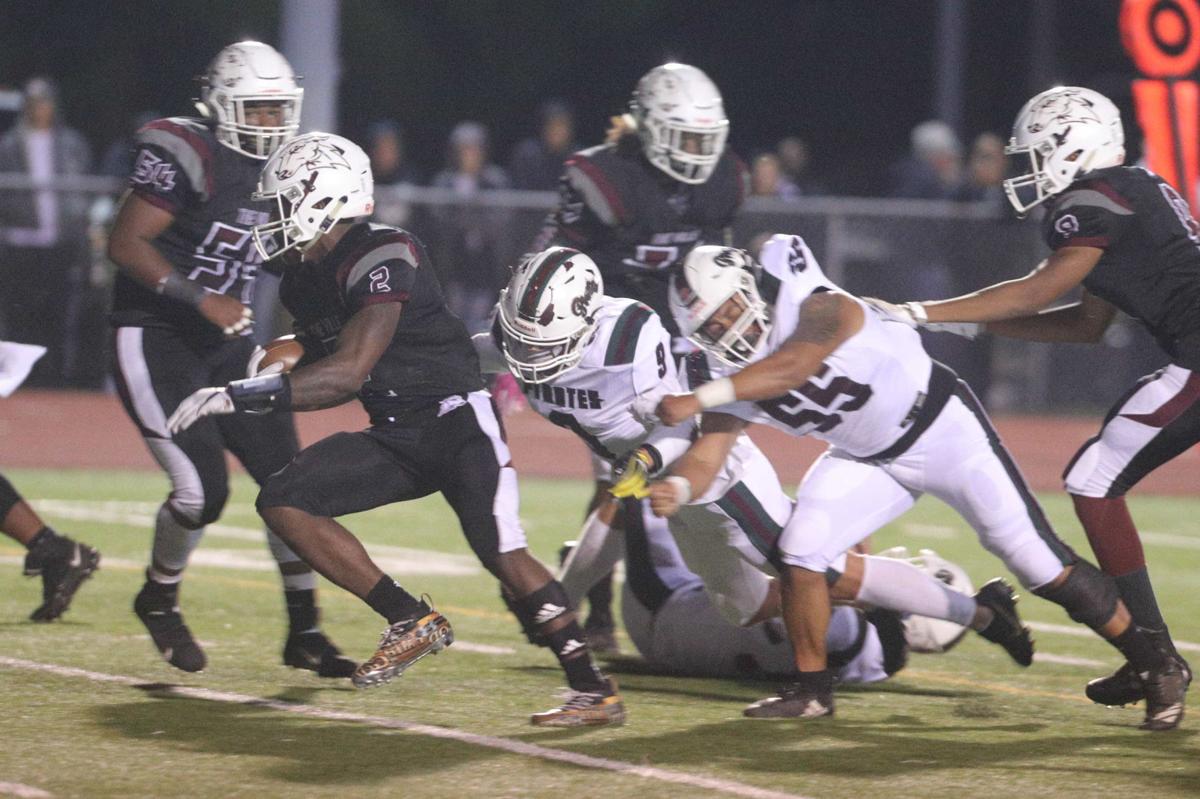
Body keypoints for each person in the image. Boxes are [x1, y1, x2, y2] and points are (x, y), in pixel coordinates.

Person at [167, 132, 623, 727]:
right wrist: (291, 349)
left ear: (323, 200)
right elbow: (325, 340)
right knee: (285, 500)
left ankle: (593, 690)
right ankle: (409, 617)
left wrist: (243, 394)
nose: (274, 217)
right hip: (397, 431)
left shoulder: (385, 250)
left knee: (501, 553)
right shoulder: (303, 275)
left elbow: (351, 369)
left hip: (455, 417)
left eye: (283, 202)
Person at [646, 236, 1186, 730]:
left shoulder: (809, 300)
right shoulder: (731, 380)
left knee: (1036, 561)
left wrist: (696, 398)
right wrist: (680, 489)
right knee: (801, 551)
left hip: (941, 427)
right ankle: (811, 690)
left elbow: (792, 367)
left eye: (729, 313)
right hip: (867, 458)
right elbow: (710, 452)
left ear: (749, 288)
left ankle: (1156, 667)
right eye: (710, 329)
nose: (726, 332)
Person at [482, 246, 1023, 683]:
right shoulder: (528, 345)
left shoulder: (628, 344)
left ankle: (978, 612)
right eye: (523, 340)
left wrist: (645, 463)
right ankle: (898, 606)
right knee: (743, 606)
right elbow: (480, 355)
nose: (529, 359)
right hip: (666, 488)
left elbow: (679, 433)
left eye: (538, 343)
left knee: (817, 571)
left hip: (717, 475)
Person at [877, 85, 1198, 720]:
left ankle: (1155, 657)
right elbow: (1086, 323)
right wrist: (978, 325)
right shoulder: (1128, 192)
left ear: (1072, 145)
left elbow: (1038, 289)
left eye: (1036, 153)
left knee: (1092, 476)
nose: (1026, 169)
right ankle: (1154, 658)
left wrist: (922, 313)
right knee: (1095, 474)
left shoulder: (1091, 198)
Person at [105, 41, 354, 678]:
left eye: (279, 110)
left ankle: (305, 631)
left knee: (291, 487)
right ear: (221, 105)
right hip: (157, 336)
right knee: (200, 492)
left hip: (229, 348)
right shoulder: (187, 151)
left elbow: (289, 259)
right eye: (258, 109)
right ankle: (158, 597)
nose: (272, 123)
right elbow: (126, 241)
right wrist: (199, 297)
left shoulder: (282, 170)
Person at [532, 62, 749, 646]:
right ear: (651, 130)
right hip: (612, 339)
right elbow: (555, 257)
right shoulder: (604, 178)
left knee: (688, 462)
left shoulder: (724, 179)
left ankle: (613, 585)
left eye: (705, 139)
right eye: (684, 138)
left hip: (682, 333)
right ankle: (593, 607)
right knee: (618, 474)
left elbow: (719, 262)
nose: (698, 153)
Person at [0, 77, 94, 387]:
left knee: (59, 313)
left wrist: (79, 230)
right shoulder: (9, 146)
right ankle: (21, 379)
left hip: (60, 243)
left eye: (45, 102)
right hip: (20, 243)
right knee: (21, 314)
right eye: (33, 102)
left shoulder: (71, 145)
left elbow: (81, 193)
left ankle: (57, 378)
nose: (39, 109)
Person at [508, 100, 578, 191]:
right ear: (543, 128)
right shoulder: (527, 155)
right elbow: (519, 192)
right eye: (552, 126)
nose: (557, 131)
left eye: (561, 126)